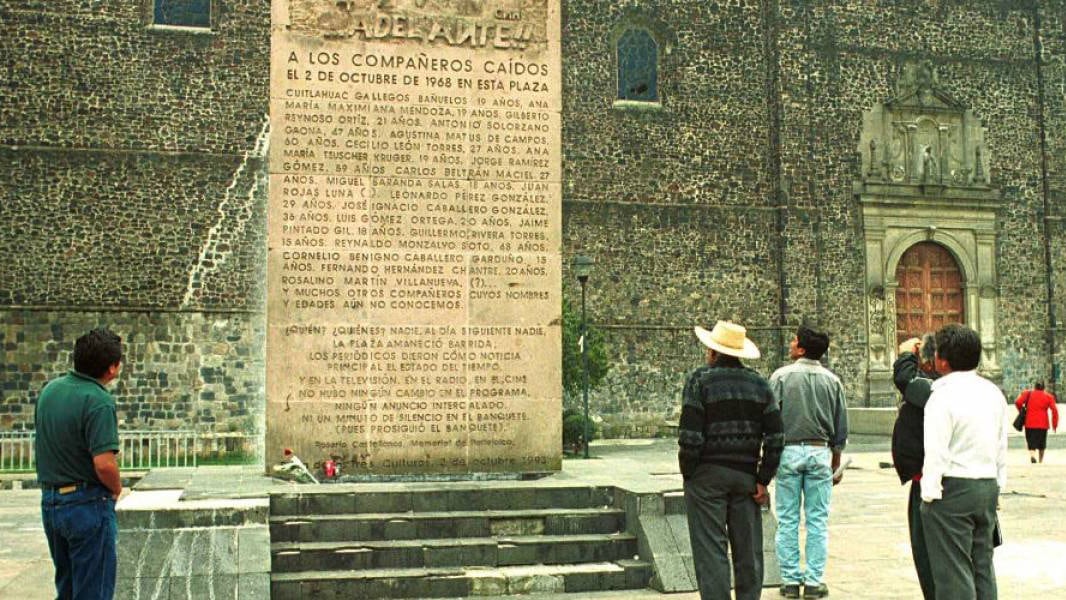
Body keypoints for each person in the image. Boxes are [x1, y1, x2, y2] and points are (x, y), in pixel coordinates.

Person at [679, 320, 784, 600]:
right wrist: (763, 478)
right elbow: (775, 436)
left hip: (707, 475)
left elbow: (690, 436)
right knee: (748, 551)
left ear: (713, 352)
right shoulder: (760, 385)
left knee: (711, 552)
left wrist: (689, 472)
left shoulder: (699, 381)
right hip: (746, 477)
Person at [35, 328, 123, 600]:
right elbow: (104, 464)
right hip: (86, 505)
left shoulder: (50, 391)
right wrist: (117, 489)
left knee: (68, 587)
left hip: (51, 502)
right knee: (93, 590)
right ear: (111, 368)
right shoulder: (98, 401)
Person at [921, 324, 1007, 600]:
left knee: (953, 572)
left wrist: (929, 494)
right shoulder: (993, 393)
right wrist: (998, 486)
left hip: (953, 490)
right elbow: (1000, 444)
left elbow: (936, 450)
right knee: (982, 565)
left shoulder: (941, 395)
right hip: (986, 485)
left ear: (942, 360)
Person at [769, 325, 848, 599]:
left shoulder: (780, 377)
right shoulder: (832, 381)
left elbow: (769, 420)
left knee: (788, 519)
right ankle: (814, 582)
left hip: (788, 451)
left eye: (794, 340)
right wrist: (835, 463)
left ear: (801, 349)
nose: (791, 343)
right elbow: (840, 428)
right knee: (817, 521)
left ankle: (790, 581)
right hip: (819, 452)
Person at [891, 333, 938, 599]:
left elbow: (905, 380)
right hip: (972, 481)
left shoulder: (937, 389)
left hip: (931, 483)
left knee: (928, 555)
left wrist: (907, 354)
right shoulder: (981, 390)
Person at [1015, 382, 1058, 464]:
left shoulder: (1028, 394)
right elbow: (1054, 410)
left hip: (1029, 422)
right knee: (1042, 444)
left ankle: (1032, 455)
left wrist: (1022, 411)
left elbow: (1018, 402)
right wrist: (1054, 424)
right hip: (1043, 424)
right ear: (1044, 388)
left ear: (1034, 387)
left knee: (1031, 441)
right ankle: (1040, 461)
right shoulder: (1048, 397)